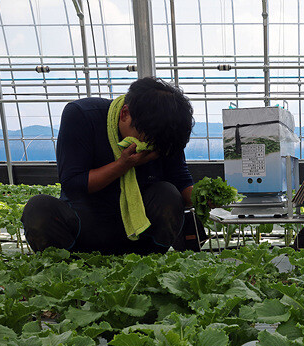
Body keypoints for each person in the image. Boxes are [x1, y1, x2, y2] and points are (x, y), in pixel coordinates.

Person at [22, 77, 206, 254]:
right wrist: (122, 165)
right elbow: (73, 183)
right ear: (125, 114)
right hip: (84, 224)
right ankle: (70, 267)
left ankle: (149, 262)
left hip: (139, 231)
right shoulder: (82, 115)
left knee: (168, 193)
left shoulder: (165, 133)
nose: (152, 149)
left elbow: (180, 180)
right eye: (147, 141)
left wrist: (204, 197)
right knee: (38, 209)